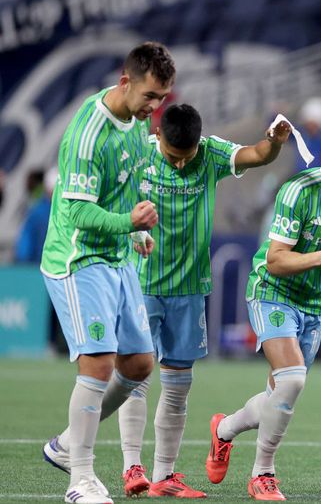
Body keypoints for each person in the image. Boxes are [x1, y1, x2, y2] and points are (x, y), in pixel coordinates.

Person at [92, 103, 288, 498]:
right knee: (136, 375)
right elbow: (110, 206)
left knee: (179, 386)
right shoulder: (139, 154)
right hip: (140, 283)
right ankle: (133, 467)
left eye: (188, 158)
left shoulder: (211, 153)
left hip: (189, 288)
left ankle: (164, 477)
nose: (181, 165)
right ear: (159, 137)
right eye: (173, 157)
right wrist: (131, 234)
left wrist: (274, 141)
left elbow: (256, 155)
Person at [204, 115, 321, 501]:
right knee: (292, 379)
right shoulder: (300, 190)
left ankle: (223, 430)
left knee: (279, 393)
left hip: (316, 303)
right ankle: (263, 473)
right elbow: (275, 260)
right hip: (272, 291)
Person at [39, 42, 174, 504]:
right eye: (150, 96)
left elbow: (127, 182)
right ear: (125, 82)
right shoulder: (88, 133)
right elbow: (77, 211)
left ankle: (63, 446)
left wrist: (134, 235)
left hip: (117, 256)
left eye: (162, 99)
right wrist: (127, 224)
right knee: (97, 362)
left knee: (137, 364)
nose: (155, 108)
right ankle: (80, 479)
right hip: (76, 259)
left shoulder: (137, 124)